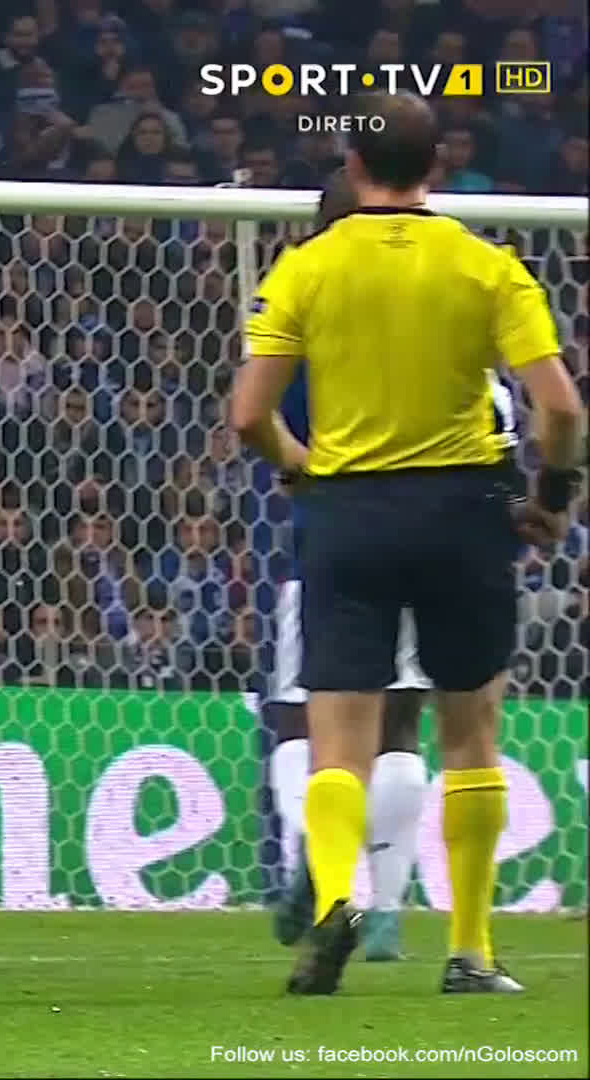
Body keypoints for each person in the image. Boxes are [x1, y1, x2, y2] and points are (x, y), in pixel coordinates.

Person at [232, 94, 586, 996]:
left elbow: (248, 415)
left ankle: (334, 900)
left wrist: (299, 467)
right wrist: (552, 499)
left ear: (353, 163)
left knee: (337, 739)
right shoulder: (486, 266)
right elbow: (560, 408)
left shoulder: (307, 267)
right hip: (463, 511)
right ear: (438, 164)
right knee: (470, 736)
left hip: (349, 512)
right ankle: (470, 951)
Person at [263, 170, 443, 962]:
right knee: (400, 722)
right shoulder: (440, 290)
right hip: (428, 532)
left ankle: (319, 852)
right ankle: (390, 910)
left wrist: (297, 466)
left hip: (331, 533)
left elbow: (257, 413)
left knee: (305, 721)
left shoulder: (297, 293)